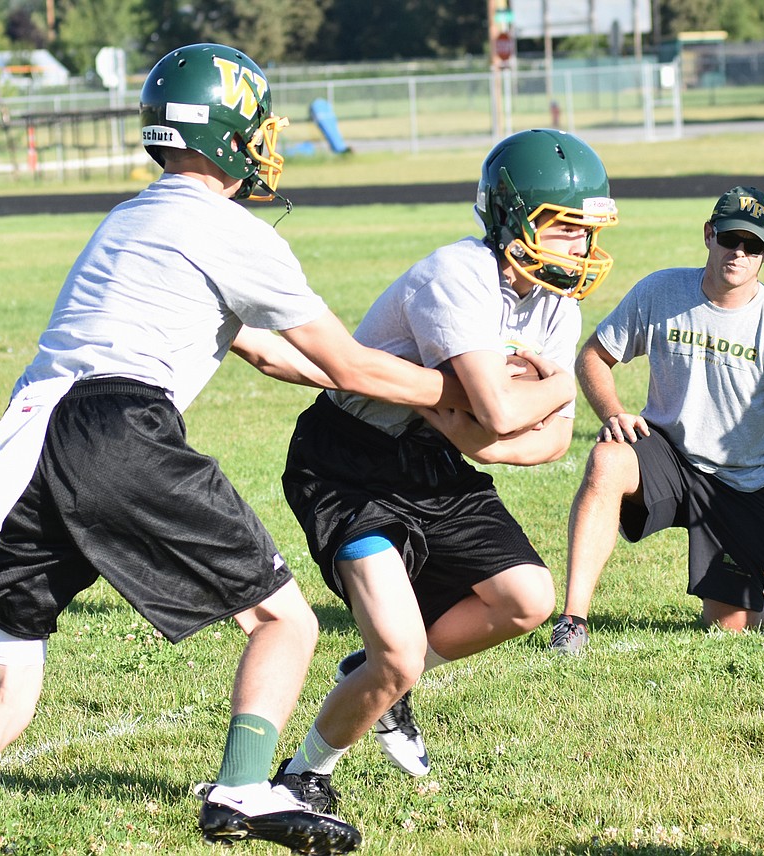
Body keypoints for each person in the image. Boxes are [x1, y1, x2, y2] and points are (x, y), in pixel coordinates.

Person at [0, 43, 470, 856]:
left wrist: (352, 388)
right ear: (232, 134)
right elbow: (349, 363)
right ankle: (241, 789)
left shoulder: (132, 213)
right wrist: (459, 398)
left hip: (20, 442)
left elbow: (265, 351)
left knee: (8, 686)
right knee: (284, 622)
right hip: (115, 425)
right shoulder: (229, 228)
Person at [275, 129, 619, 812]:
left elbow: (537, 441)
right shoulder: (456, 275)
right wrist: (547, 393)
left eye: (588, 231)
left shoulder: (557, 299)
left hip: (427, 456)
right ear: (514, 220)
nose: (582, 247)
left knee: (528, 599)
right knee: (397, 651)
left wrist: (521, 415)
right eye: (566, 228)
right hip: (348, 458)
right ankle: (304, 774)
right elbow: (497, 414)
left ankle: (378, 681)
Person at [549, 185, 764, 653]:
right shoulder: (661, 290)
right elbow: (592, 357)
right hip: (667, 455)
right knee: (606, 460)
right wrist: (613, 411)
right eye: (730, 238)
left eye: (753, 245)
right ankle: (572, 622)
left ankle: (756, 602)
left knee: (730, 629)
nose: (739, 252)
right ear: (708, 235)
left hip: (738, 484)